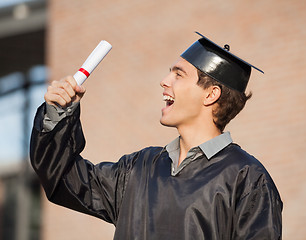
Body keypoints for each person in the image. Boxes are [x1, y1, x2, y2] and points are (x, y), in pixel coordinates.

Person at [30, 32, 282, 239]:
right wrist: (58, 113)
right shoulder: (137, 169)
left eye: (178, 74)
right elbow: (62, 178)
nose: (164, 81)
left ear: (210, 94)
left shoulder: (247, 179)